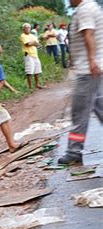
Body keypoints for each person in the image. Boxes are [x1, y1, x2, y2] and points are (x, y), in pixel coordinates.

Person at [58, 0, 102, 165]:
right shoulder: (93, 6)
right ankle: (74, 150)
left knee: (79, 113)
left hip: (87, 71)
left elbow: (88, 33)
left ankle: (74, 151)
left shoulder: (84, 10)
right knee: (100, 107)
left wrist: (91, 60)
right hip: (95, 69)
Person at [20, 23, 43, 90]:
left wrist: (33, 43)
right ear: (23, 29)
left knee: (37, 70)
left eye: (28, 28)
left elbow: (38, 44)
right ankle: (30, 87)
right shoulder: (23, 35)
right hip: (28, 54)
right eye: (26, 28)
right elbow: (27, 44)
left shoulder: (32, 36)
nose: (27, 29)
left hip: (35, 54)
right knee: (29, 71)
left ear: (30, 28)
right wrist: (34, 43)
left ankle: (37, 84)